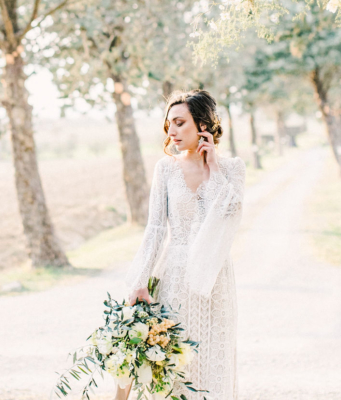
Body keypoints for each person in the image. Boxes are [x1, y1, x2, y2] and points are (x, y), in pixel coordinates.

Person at [119, 89, 246, 400]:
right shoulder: (166, 168)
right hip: (174, 278)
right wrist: (138, 281)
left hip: (215, 281)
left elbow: (229, 213)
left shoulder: (232, 169)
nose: (171, 131)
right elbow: (155, 229)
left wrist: (213, 167)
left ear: (203, 125)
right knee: (173, 367)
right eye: (168, 125)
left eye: (179, 123)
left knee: (212, 365)